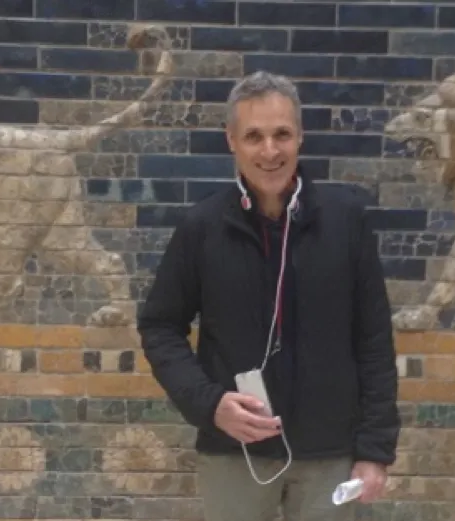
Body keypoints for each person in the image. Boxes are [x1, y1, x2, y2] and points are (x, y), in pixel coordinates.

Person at [137, 70, 401, 521]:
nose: (270, 151)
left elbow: (374, 341)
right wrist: (209, 404)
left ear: (300, 136)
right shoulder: (201, 228)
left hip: (329, 457)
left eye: (282, 134)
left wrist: (374, 450)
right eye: (254, 136)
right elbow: (160, 327)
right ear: (232, 141)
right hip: (233, 453)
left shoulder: (346, 222)